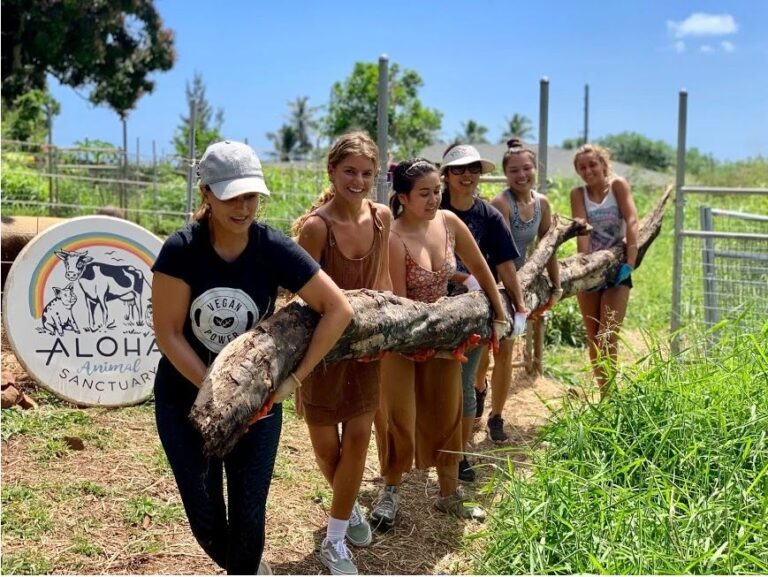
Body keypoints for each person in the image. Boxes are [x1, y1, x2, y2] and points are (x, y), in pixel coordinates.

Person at [152, 140, 353, 575]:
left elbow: (338, 309)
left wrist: (293, 380)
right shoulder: (182, 250)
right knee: (205, 517)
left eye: (250, 196)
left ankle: (245, 569)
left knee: (249, 517)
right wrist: (218, 389)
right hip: (183, 397)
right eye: (230, 196)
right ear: (206, 193)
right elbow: (168, 333)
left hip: (258, 406)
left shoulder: (272, 248)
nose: (243, 207)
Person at [370, 158, 509, 531]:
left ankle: (448, 496)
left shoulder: (449, 223)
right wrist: (423, 335)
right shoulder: (395, 238)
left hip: (447, 335)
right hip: (403, 341)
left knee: (448, 413)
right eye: (424, 193)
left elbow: (482, 269)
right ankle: (391, 491)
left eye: (437, 191)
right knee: (398, 416)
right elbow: (399, 305)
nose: (434, 199)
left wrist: (500, 314)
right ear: (403, 197)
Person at [291, 131, 392, 576]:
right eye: (349, 171)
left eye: (367, 173)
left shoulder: (383, 216)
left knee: (357, 441)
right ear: (331, 171)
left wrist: (389, 329)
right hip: (321, 351)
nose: (358, 180)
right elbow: (301, 295)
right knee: (326, 449)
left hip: (367, 349)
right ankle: (347, 505)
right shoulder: (316, 228)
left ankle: (333, 541)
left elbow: (384, 280)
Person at [438, 144, 527, 474]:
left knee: (463, 384)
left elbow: (505, 264)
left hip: (474, 313)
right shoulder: (432, 207)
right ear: (446, 174)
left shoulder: (488, 215)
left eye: (472, 169)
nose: (466, 175)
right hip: (429, 308)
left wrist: (519, 308)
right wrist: (462, 275)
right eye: (458, 169)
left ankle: (459, 457)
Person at [479, 138, 563, 420]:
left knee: (505, 350)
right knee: (483, 353)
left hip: (520, 281)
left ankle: (497, 416)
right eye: (514, 170)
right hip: (494, 283)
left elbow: (547, 247)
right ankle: (479, 391)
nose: (521, 175)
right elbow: (498, 256)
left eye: (526, 168)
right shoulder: (501, 204)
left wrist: (556, 284)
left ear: (535, 169)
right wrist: (510, 295)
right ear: (506, 174)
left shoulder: (543, 203)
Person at [570, 143, 638, 399]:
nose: (588, 171)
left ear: (603, 165)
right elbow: (583, 230)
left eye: (592, 165)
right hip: (592, 269)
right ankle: (605, 394)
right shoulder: (578, 194)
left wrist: (630, 262)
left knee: (608, 335)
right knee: (594, 336)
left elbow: (631, 220)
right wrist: (586, 266)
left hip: (617, 266)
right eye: (582, 167)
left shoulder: (617, 186)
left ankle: (612, 396)